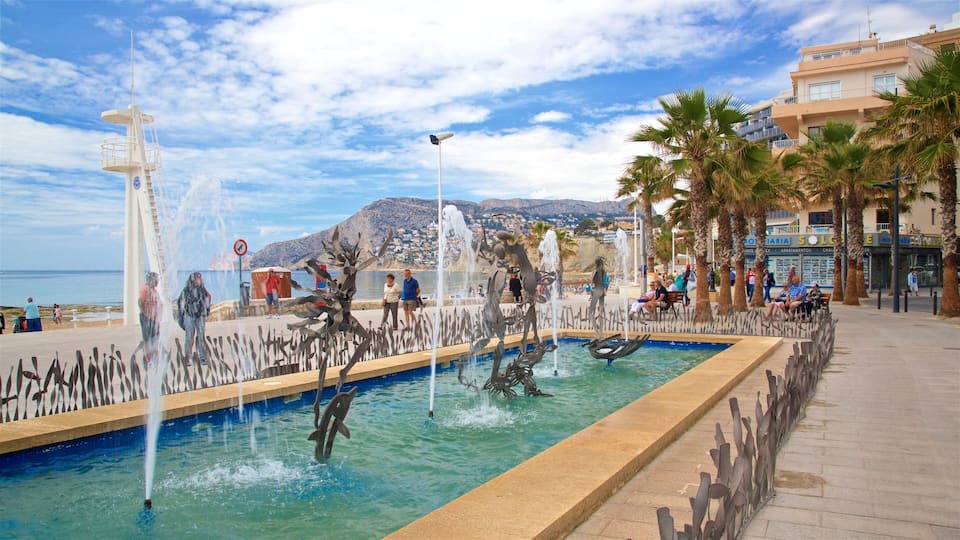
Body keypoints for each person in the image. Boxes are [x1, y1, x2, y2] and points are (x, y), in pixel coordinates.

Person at [178, 272, 211, 365]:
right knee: (189, 338)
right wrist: (183, 313)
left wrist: (206, 311)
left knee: (201, 337)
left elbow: (207, 299)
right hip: (190, 316)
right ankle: (188, 358)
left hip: (200, 316)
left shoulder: (202, 290)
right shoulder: (186, 290)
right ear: (192, 280)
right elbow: (181, 302)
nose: (199, 280)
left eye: (199, 278)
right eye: (197, 278)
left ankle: (202, 358)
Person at [138, 272, 161, 365]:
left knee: (155, 339)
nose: (157, 281)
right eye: (156, 279)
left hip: (155, 319)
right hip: (147, 318)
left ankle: (155, 358)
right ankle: (149, 360)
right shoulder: (145, 289)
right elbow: (140, 301)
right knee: (147, 339)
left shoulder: (154, 291)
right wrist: (145, 312)